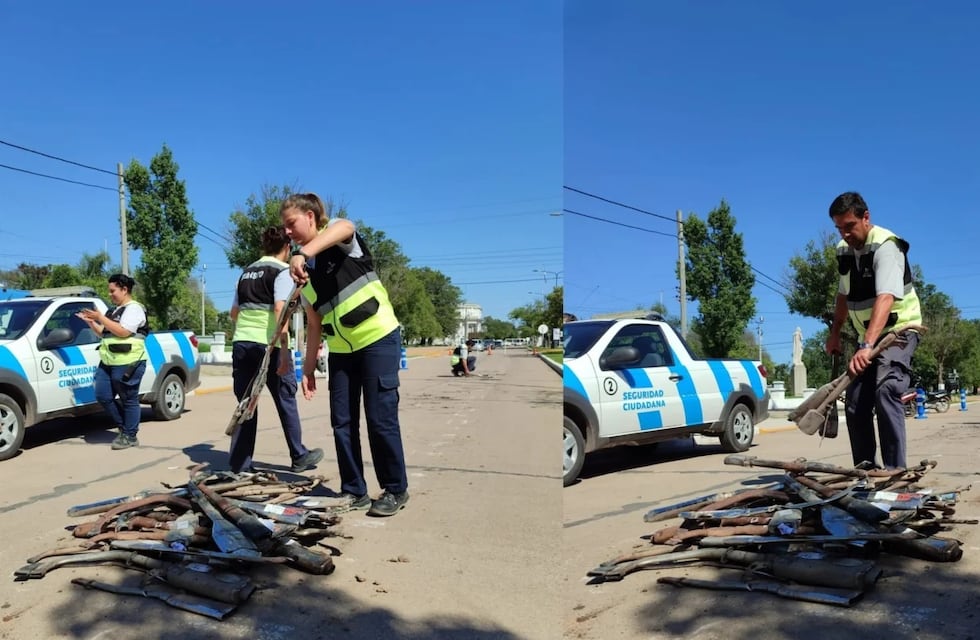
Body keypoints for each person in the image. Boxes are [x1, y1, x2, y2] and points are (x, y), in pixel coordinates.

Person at [281, 193, 409, 517]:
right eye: (283, 227)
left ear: (311, 217)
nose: (287, 232)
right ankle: (354, 490)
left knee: (380, 419)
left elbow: (346, 226)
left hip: (378, 339)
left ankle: (395, 489)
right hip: (341, 352)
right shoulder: (304, 274)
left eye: (291, 223)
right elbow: (313, 323)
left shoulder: (339, 235)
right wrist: (308, 370)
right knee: (342, 422)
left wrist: (302, 252)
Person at [825, 191, 923, 470]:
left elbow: (886, 297)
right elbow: (843, 295)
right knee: (855, 402)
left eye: (849, 226)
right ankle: (866, 472)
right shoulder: (843, 251)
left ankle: (894, 474)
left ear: (865, 218)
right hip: (867, 338)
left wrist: (866, 346)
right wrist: (835, 333)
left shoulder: (886, 246)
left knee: (886, 389)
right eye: (839, 228)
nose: (844, 234)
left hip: (900, 331)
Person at [229, 226, 324, 474]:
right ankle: (299, 455)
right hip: (267, 345)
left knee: (246, 403)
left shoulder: (245, 273)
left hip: (241, 343)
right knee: (285, 399)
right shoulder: (281, 271)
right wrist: (284, 349)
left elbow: (234, 313)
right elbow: (280, 311)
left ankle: (240, 464)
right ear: (287, 248)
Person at [77, 273, 149, 450]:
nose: (110, 294)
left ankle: (130, 435)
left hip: (129, 362)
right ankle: (125, 429)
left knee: (129, 398)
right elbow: (104, 333)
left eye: (112, 291)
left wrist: (100, 317)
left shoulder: (134, 309)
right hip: (108, 362)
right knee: (103, 396)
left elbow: (123, 332)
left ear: (124, 290)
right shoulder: (112, 311)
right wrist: (91, 322)